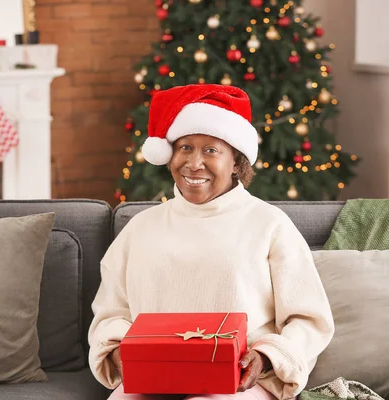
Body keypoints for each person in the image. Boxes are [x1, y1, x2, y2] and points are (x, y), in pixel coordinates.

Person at [88, 84, 334, 400]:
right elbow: (111, 312)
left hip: (242, 382)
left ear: (236, 162)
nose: (194, 163)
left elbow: (308, 319)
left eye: (211, 150)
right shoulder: (140, 229)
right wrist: (121, 352)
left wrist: (266, 357)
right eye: (185, 147)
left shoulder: (269, 225)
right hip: (154, 376)